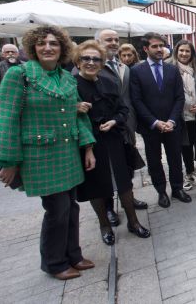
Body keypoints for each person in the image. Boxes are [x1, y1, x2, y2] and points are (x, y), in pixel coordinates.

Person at [0, 26, 96, 280]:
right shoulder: (19, 75)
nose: (48, 47)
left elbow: (79, 116)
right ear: (32, 47)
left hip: (68, 154)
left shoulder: (66, 77)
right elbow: (7, 119)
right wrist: (8, 161)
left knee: (71, 207)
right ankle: (54, 263)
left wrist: (88, 148)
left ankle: (73, 254)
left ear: (62, 48)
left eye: (53, 43)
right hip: (40, 157)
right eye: (42, 43)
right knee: (57, 209)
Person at [73, 41, 151, 245]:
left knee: (124, 184)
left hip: (114, 139)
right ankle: (104, 226)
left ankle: (133, 223)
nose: (91, 62)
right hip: (88, 144)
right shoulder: (71, 85)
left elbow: (123, 109)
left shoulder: (108, 82)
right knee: (96, 188)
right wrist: (74, 108)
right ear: (78, 61)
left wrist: (115, 120)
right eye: (86, 58)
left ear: (102, 63)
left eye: (96, 59)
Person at [130, 32, 190, 208]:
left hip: (172, 125)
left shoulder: (172, 69)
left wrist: (171, 120)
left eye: (160, 46)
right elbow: (137, 100)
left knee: (175, 158)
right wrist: (155, 122)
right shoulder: (136, 71)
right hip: (151, 127)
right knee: (154, 161)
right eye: (154, 46)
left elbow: (179, 97)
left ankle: (177, 188)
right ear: (145, 48)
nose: (158, 49)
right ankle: (161, 192)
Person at [95, 29, 147, 226]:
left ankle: (129, 198)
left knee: (127, 164)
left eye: (116, 40)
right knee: (104, 170)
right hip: (104, 128)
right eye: (108, 40)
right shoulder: (93, 65)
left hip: (126, 124)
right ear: (98, 42)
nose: (113, 43)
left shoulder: (123, 66)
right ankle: (108, 208)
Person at [169, 40, 196, 190]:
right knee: (183, 146)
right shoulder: (170, 69)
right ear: (176, 52)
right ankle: (184, 174)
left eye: (187, 51)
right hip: (179, 117)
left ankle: (192, 171)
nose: (184, 54)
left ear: (192, 53)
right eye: (181, 51)